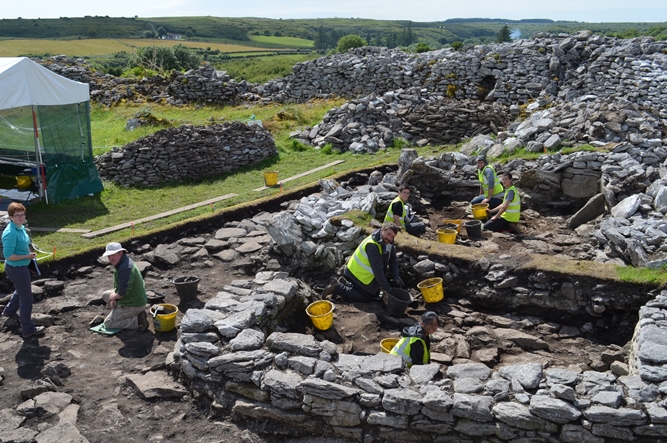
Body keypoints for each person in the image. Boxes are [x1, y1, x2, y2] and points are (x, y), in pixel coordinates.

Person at [322, 222, 404, 303]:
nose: (389, 238)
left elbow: (393, 259)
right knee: (366, 297)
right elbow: (378, 271)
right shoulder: (372, 246)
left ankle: (346, 284)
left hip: (364, 274)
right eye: (388, 234)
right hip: (355, 273)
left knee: (375, 293)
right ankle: (337, 288)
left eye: (392, 236)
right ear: (382, 230)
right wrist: (388, 289)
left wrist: (396, 275)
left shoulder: (388, 242)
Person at [1, 202, 45, 338]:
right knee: (26, 298)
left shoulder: (20, 228)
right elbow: (8, 256)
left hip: (22, 266)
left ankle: (8, 311)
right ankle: (28, 328)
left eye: (22, 214)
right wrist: (27, 256)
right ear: (11, 217)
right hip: (16, 268)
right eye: (17, 215)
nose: (20, 217)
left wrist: (28, 255)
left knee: (21, 291)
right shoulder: (10, 233)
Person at [99, 242, 148, 331]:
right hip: (133, 297)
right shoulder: (122, 262)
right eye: (109, 256)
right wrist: (113, 297)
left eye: (112, 255)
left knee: (108, 323)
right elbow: (119, 287)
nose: (110, 259)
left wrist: (114, 296)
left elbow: (122, 293)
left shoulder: (125, 268)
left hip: (135, 304)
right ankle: (120, 312)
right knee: (105, 295)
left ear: (120, 252)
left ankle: (137, 320)